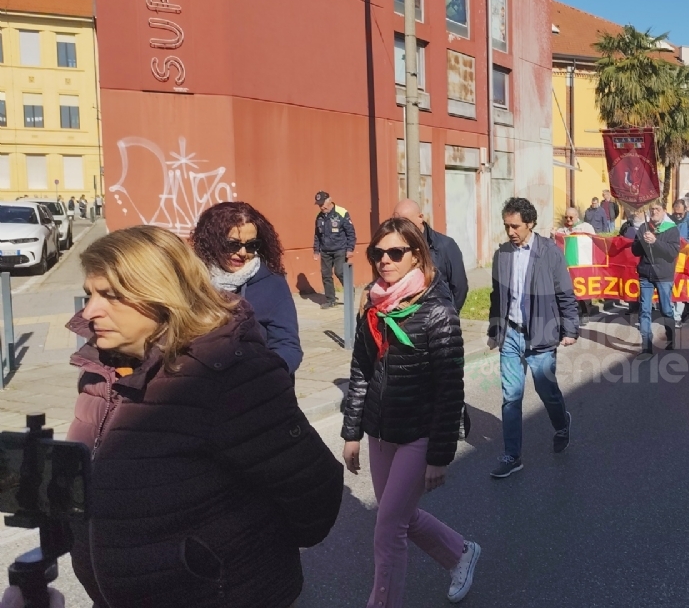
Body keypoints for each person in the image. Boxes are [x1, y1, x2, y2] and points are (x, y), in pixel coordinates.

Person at [66, 226, 343, 608]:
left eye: (111, 295)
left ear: (160, 294)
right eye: (90, 294)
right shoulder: (97, 370)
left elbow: (314, 488)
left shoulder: (224, 374)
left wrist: (240, 561)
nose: (90, 311)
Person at [342, 217, 481, 606]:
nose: (385, 260)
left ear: (417, 255)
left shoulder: (438, 313)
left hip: (419, 435)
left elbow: (450, 389)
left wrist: (439, 456)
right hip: (381, 432)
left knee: (387, 530)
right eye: (378, 253)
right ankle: (460, 552)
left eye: (395, 252)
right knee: (397, 516)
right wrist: (352, 432)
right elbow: (360, 373)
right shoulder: (373, 306)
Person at [487, 197, 577, 478]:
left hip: (541, 335)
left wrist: (570, 329)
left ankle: (562, 423)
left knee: (546, 392)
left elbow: (565, 293)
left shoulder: (549, 252)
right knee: (511, 397)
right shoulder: (502, 254)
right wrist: (495, 330)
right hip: (511, 335)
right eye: (506, 226)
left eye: (515, 226)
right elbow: (497, 296)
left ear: (530, 224)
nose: (510, 231)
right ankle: (512, 456)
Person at [192, 201, 303, 373]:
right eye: (232, 244)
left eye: (251, 245)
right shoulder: (193, 281)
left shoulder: (272, 284)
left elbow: (288, 346)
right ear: (212, 242)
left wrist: (264, 376)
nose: (243, 253)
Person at [394, 198, 469, 312]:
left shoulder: (445, 245)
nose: (400, 227)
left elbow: (459, 287)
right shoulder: (393, 247)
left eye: (405, 221)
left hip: (438, 318)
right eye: (396, 222)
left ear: (420, 217)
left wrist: (448, 313)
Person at [632, 202, 681, 355]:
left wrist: (655, 242)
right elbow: (634, 251)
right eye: (652, 209)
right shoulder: (643, 227)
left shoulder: (672, 229)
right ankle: (646, 345)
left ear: (664, 211)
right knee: (644, 310)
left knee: (666, 310)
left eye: (657, 209)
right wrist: (642, 241)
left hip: (664, 276)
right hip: (646, 274)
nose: (654, 212)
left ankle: (671, 338)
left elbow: (672, 252)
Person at [313, 191, 357, 309]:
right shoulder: (319, 217)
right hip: (325, 250)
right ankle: (330, 300)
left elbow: (351, 232)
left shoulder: (342, 213)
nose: (322, 207)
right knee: (326, 274)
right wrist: (316, 250)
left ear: (330, 200)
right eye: (319, 205)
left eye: (323, 203)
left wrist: (350, 249)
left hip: (340, 249)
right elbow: (317, 235)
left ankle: (349, 293)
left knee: (340, 272)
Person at [555, 207, 597, 324]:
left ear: (576, 216)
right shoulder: (562, 230)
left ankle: (585, 313)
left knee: (583, 289)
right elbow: (555, 244)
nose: (568, 219)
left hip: (583, 263)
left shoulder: (586, 227)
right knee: (568, 289)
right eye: (566, 217)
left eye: (570, 217)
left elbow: (595, 241)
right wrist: (553, 235)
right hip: (568, 264)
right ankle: (571, 313)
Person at [668, 199, 689, 326]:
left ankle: (677, 316)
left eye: (680, 213)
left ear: (685, 210)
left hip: (684, 255)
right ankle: (672, 313)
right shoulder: (670, 219)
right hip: (670, 255)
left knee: (680, 285)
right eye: (676, 214)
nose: (678, 216)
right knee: (670, 285)